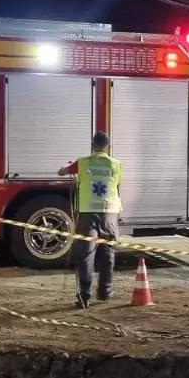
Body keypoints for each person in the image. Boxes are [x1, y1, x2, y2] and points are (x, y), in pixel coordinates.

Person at [59, 132, 122, 308]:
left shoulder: (83, 162)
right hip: (110, 213)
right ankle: (105, 292)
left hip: (88, 214)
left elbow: (62, 172)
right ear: (108, 146)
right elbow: (117, 185)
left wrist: (68, 164)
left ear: (92, 144)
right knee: (108, 253)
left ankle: (84, 296)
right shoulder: (116, 164)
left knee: (86, 254)